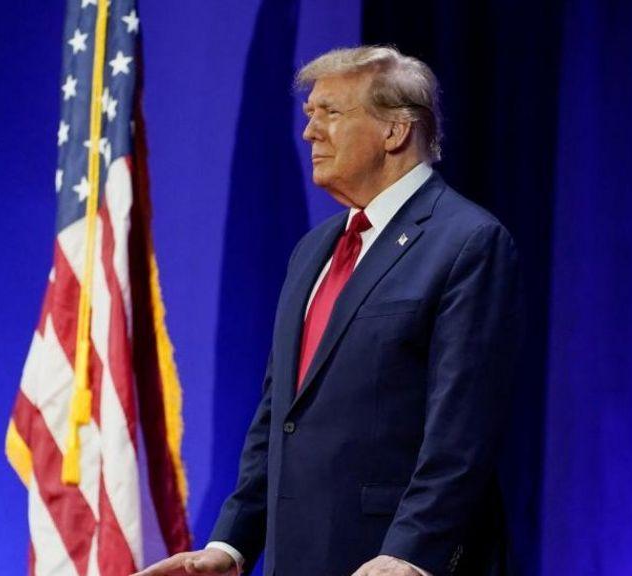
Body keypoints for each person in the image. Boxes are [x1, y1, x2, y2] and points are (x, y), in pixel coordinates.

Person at [134, 45, 522, 576]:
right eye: (309, 115)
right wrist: (231, 544)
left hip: (394, 562)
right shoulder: (314, 249)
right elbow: (279, 415)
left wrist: (411, 551)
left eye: (330, 114)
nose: (310, 132)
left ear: (396, 131)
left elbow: (463, 428)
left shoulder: (468, 242)